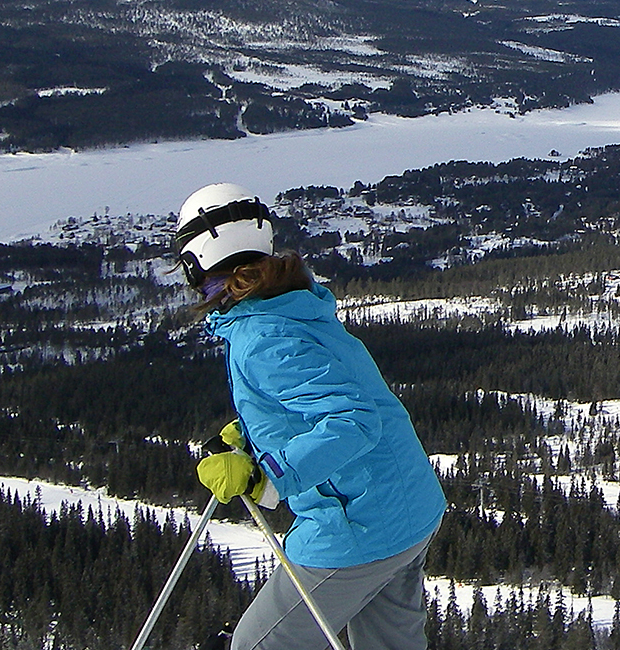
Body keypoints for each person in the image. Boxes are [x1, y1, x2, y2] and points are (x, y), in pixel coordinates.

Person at [175, 182, 447, 650]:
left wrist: (268, 475)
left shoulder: (261, 336)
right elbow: (330, 389)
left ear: (197, 260)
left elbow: (354, 418)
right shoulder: (297, 306)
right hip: (408, 510)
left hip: (356, 528)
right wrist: (254, 433)